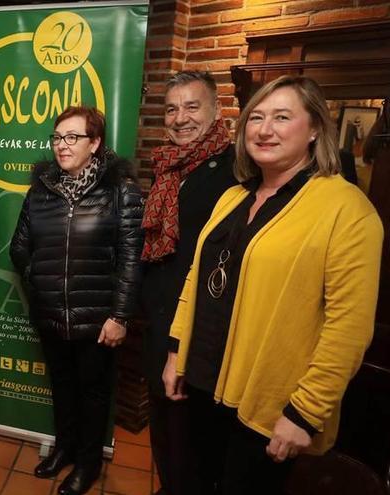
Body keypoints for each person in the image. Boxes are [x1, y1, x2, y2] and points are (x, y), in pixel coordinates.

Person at [163, 75, 383, 494]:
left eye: (282, 117)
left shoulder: (346, 209)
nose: (264, 130)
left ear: (315, 128)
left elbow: (348, 329)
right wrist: (177, 350)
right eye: (256, 118)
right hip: (203, 382)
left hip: (268, 407)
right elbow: (197, 276)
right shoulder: (233, 197)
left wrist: (306, 413)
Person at [10, 106, 144, 495]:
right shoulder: (42, 190)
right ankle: (64, 450)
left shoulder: (120, 190)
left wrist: (119, 315)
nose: (62, 145)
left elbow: (131, 259)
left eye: (73, 137)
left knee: (93, 394)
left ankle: (88, 465)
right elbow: (20, 247)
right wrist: (43, 280)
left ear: (95, 142)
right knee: (63, 387)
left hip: (97, 319)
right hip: (50, 312)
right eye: (57, 137)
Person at [140, 70, 237, 495]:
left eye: (192, 106)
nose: (180, 118)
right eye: (172, 108)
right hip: (160, 321)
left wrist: (183, 345)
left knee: (192, 440)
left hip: (198, 330)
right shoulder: (168, 167)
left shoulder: (236, 172)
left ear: (217, 109)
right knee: (164, 430)